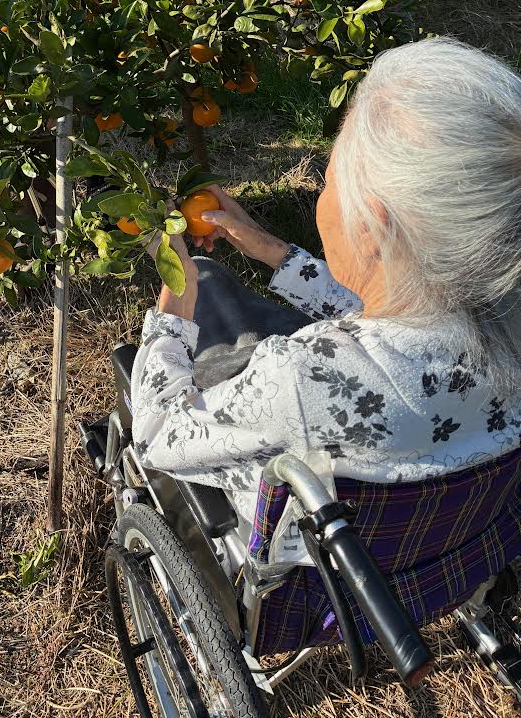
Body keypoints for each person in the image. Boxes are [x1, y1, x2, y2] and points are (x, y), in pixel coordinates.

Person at [131, 37, 521, 540]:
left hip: (311, 568)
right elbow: (397, 315)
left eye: (330, 181)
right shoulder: (500, 314)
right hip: (452, 546)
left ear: (372, 226)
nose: (324, 195)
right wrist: (274, 253)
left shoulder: (304, 377)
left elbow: (158, 438)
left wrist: (176, 305)